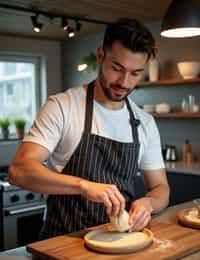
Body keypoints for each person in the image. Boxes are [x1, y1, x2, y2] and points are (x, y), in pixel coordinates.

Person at [9, 18, 169, 239]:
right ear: (101, 56)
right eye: (117, 68)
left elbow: (161, 188)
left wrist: (149, 203)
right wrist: (83, 186)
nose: (124, 82)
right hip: (62, 241)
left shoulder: (144, 122)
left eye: (135, 73)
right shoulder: (62, 106)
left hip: (119, 243)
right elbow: (19, 171)